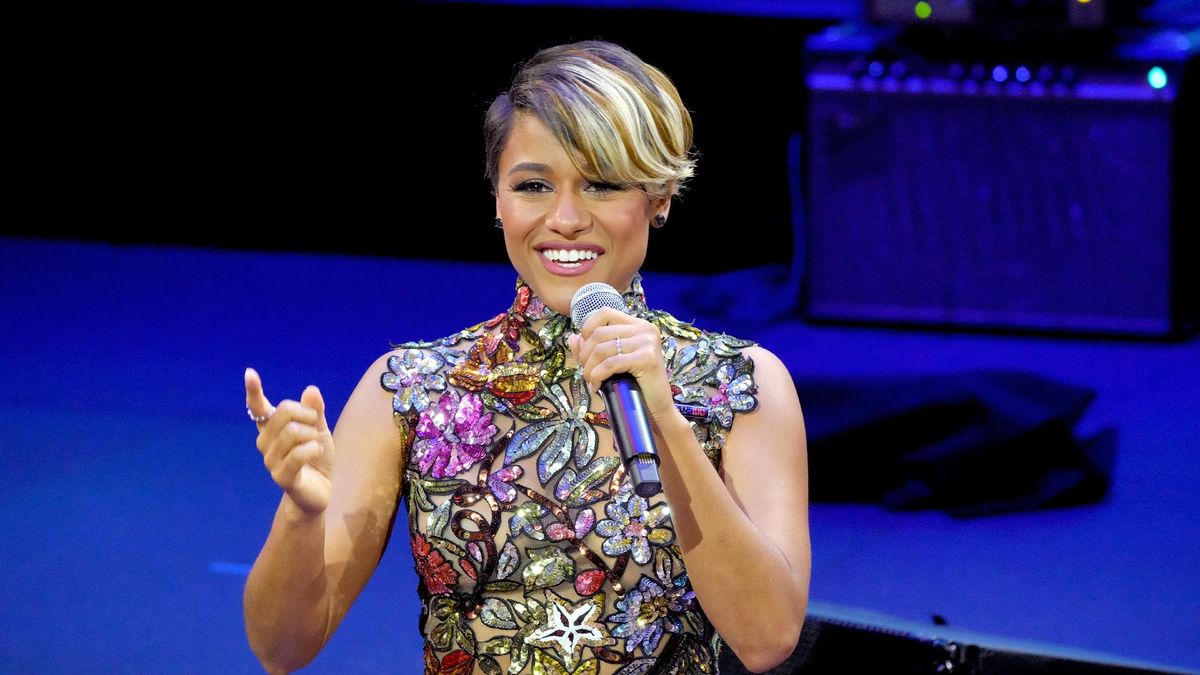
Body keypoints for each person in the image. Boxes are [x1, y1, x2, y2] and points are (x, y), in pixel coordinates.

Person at [243, 40, 810, 674]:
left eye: (602, 184)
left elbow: (767, 639)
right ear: (497, 199)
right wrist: (301, 514)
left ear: (659, 196)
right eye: (534, 185)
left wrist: (666, 422)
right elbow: (282, 647)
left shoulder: (740, 385)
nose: (565, 219)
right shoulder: (413, 389)